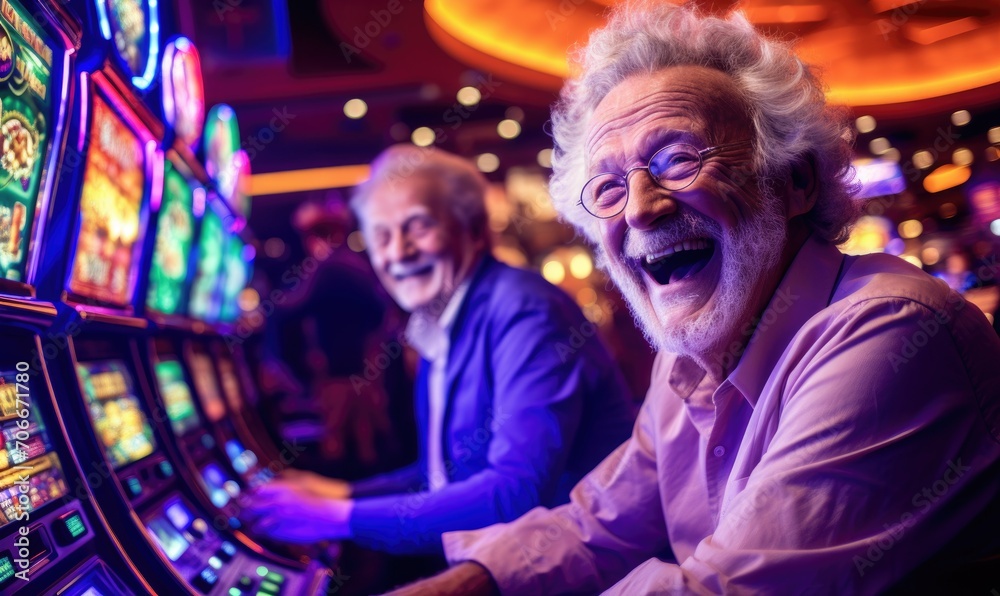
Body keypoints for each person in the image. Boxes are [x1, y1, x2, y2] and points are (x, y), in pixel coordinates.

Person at [389, 3, 1000, 593]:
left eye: (678, 160)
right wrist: (462, 584)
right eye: (606, 187)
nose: (640, 207)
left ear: (795, 181)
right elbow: (596, 526)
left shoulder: (890, 329)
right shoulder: (686, 363)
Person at [244, 145, 636, 558]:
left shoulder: (525, 310)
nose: (397, 252)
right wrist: (345, 493)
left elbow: (514, 495)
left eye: (417, 227)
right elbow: (444, 475)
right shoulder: (441, 320)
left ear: (473, 230)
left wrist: (340, 516)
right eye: (381, 236)